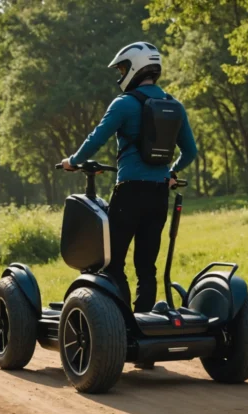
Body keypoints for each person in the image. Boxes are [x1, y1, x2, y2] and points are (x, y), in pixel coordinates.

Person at [61, 42, 198, 321]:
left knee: (112, 263)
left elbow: (95, 139)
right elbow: (190, 152)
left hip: (129, 193)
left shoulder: (124, 104)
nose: (120, 74)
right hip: (159, 194)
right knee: (147, 265)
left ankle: (118, 323)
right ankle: (145, 322)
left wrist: (73, 161)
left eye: (122, 68)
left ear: (135, 68)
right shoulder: (175, 106)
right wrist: (170, 173)